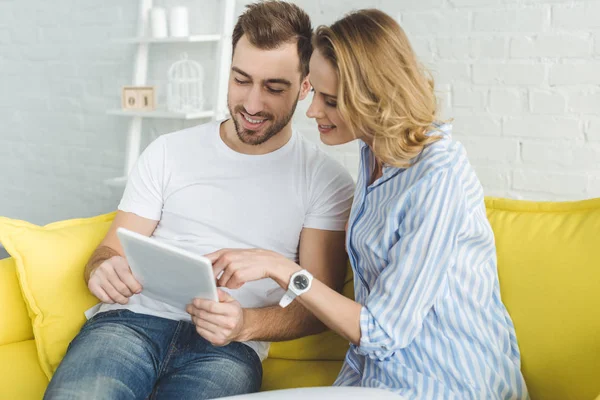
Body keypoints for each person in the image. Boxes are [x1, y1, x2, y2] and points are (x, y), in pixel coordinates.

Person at [208, 9, 530, 400]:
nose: (312, 112)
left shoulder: (439, 174)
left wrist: (280, 267)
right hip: (375, 380)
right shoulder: (373, 154)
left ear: (376, 97)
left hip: (445, 383)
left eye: (330, 101)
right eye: (316, 94)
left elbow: (383, 332)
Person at [44, 2, 355, 399]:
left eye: (274, 88)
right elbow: (108, 251)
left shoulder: (326, 181)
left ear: (306, 86)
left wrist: (245, 325)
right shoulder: (168, 151)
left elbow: (317, 306)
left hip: (227, 349)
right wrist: (102, 270)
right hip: (128, 323)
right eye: (241, 80)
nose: (253, 104)